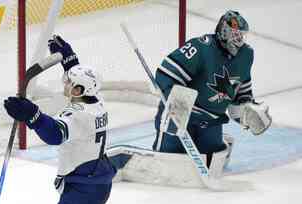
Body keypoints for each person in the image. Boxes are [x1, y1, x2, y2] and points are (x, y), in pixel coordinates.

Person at [109, 10, 272, 186]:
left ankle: (221, 139)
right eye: (235, 35)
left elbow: (241, 93)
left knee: (213, 161)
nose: (239, 40)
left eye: (242, 36)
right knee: (167, 162)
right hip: (181, 114)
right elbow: (166, 74)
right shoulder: (201, 48)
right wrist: (176, 107)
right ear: (223, 32)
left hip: (211, 120)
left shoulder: (246, 55)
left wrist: (247, 110)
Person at [4, 35, 116, 204]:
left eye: (69, 83)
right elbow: (83, 83)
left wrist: (32, 114)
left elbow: (55, 135)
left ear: (78, 90)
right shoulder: (97, 102)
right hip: (96, 182)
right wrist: (70, 61)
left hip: (82, 189)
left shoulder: (77, 116)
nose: (65, 84)